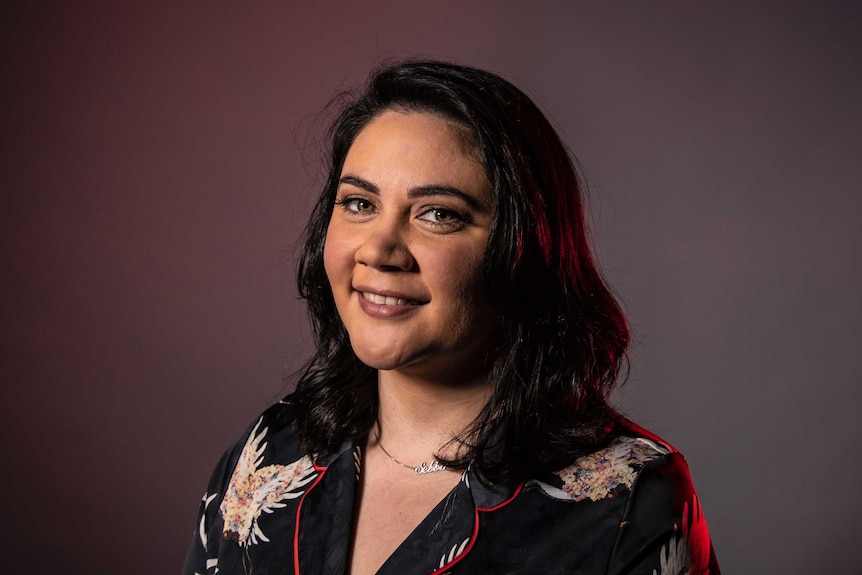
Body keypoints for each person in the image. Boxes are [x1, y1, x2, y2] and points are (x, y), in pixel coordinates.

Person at [183, 60, 720, 575]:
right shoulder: (272, 452)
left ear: (522, 249)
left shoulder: (628, 498)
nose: (380, 249)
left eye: (438, 214)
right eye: (359, 204)